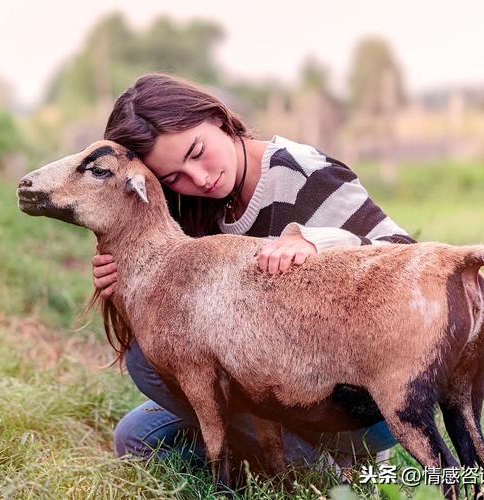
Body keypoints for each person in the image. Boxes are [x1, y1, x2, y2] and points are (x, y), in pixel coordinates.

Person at [93, 73, 416, 475]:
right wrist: (129, 282)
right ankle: (288, 461)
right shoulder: (185, 206)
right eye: (174, 176)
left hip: (358, 401)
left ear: (217, 119)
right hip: (263, 387)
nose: (200, 179)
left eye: (197, 152)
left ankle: (323, 473)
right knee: (138, 438)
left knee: (148, 366)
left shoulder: (303, 174)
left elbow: (410, 261)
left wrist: (318, 243)